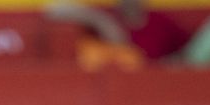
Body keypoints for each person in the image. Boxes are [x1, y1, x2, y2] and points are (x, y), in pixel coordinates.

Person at [44, 0, 191, 67]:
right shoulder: (109, 16)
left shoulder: (161, 22)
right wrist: (102, 21)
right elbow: (54, 9)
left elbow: (190, 54)